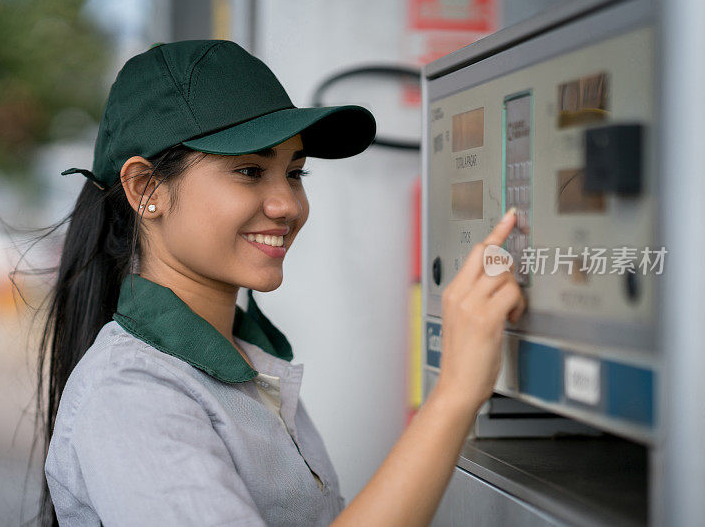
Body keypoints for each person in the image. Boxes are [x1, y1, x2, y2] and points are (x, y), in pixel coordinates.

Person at [35, 39, 525, 527]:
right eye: (250, 171)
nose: (288, 205)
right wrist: (457, 391)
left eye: (294, 172)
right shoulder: (132, 395)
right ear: (146, 189)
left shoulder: (246, 361)